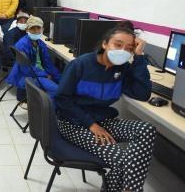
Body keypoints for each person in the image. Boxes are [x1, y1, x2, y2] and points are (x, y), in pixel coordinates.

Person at [54, 21, 156, 192]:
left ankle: (126, 189)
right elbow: (62, 99)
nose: (123, 51)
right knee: (122, 158)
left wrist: (139, 58)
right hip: (74, 123)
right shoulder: (80, 65)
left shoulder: (122, 69)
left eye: (130, 48)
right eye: (118, 44)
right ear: (104, 44)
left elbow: (142, 93)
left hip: (103, 121)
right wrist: (90, 124)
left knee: (147, 129)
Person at [6, 16, 61, 109]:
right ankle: (47, 115)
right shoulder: (22, 44)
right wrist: (45, 75)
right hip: (28, 76)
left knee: (62, 83)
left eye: (38, 28)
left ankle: (50, 108)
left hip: (37, 73)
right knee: (56, 90)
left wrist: (60, 78)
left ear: (42, 29)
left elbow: (48, 64)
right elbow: (27, 69)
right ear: (27, 30)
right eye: (32, 29)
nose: (36, 31)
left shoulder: (41, 43)